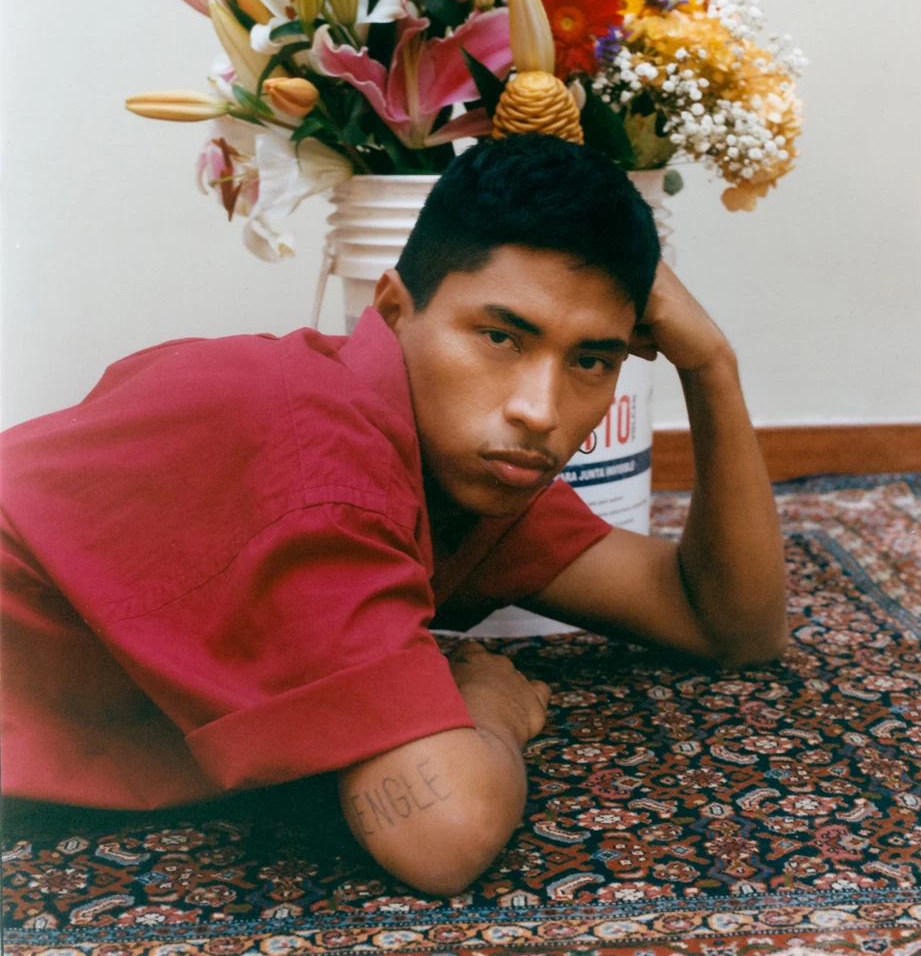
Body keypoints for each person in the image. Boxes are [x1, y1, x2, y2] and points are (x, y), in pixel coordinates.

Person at [0, 134, 787, 896]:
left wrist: (710, 366)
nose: (539, 410)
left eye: (590, 360)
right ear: (393, 307)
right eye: (500, 338)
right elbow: (441, 839)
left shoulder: (451, 453)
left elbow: (727, 622)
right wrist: (491, 707)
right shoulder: (318, 455)